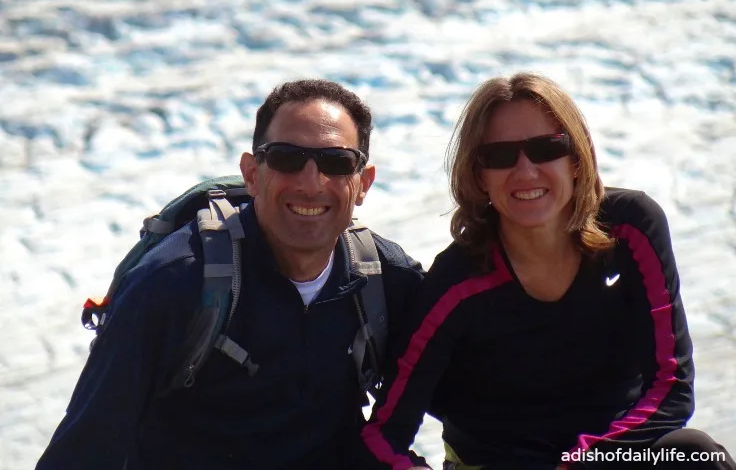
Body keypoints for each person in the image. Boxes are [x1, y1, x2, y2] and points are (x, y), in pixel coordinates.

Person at [36, 79, 427, 470]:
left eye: (337, 162)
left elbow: (472, 399)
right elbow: (83, 449)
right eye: (287, 158)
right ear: (252, 174)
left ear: (363, 183)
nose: (311, 183)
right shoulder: (174, 284)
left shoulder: (386, 279)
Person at [360, 72, 736, 470]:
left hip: (616, 456)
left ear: (577, 159)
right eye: (500, 156)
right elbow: (384, 433)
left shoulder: (630, 228)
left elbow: (672, 388)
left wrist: (584, 464)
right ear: (478, 176)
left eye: (546, 149)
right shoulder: (457, 282)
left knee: (696, 454)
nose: (525, 172)